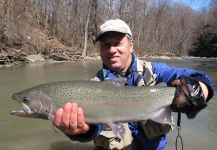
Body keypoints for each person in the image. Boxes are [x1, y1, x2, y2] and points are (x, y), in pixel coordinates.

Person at [53, 19, 214, 150]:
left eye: (117, 43)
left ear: (131, 45)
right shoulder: (93, 86)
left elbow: (202, 78)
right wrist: (82, 132)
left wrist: (197, 92)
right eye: (106, 45)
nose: (111, 50)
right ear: (100, 49)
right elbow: (95, 129)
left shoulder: (154, 72)